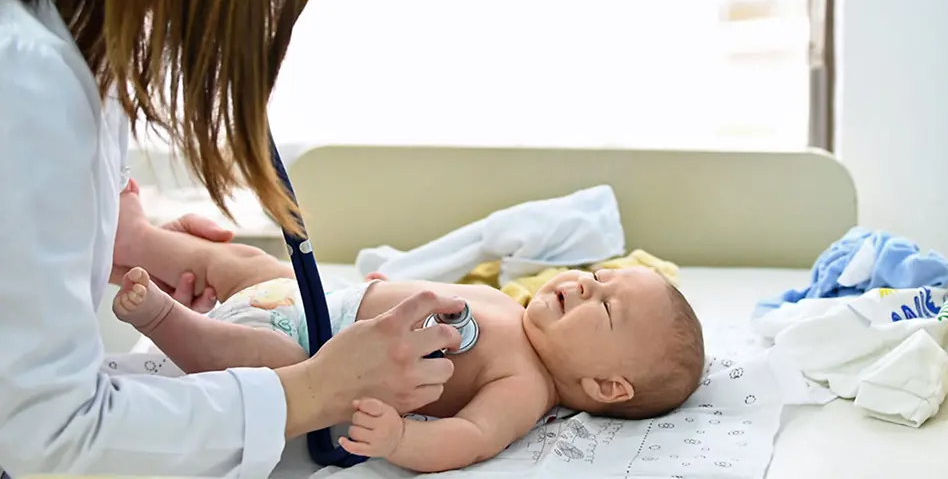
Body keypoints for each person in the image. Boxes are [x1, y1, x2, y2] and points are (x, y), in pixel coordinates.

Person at [0, 0, 464, 477]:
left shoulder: (55, 47)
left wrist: (104, 233)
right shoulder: (26, 76)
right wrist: (314, 391)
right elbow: (50, 438)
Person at [111, 180, 706, 473]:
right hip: (308, 300)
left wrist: (399, 440)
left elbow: (469, 438)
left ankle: (164, 319)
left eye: (602, 307)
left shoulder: (524, 384)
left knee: (259, 359)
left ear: (607, 386)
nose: (581, 284)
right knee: (245, 263)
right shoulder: (514, 308)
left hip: (311, 355)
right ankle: (136, 240)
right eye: (597, 276)